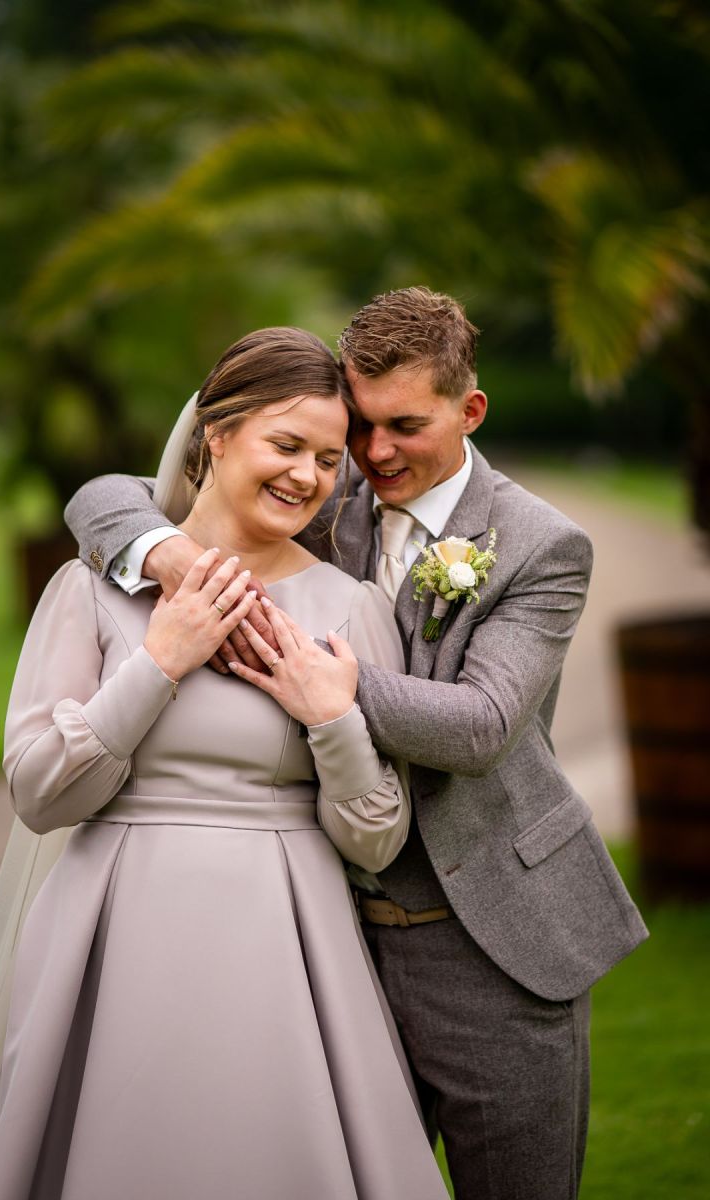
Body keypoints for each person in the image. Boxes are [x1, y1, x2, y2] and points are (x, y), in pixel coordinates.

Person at [63, 287, 648, 1200]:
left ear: (471, 410)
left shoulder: (541, 545)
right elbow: (107, 497)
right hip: (331, 938)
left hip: (491, 938)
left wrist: (326, 678)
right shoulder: (329, 493)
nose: (374, 455)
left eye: (404, 426)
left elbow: (484, 724)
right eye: (360, 427)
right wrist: (164, 554)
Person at [0, 327, 450, 1200]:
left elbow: (378, 839)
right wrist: (159, 661)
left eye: (325, 457)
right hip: (113, 931)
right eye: (285, 445)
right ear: (216, 434)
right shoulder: (92, 588)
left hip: (289, 947)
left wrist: (331, 720)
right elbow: (41, 794)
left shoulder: (350, 608)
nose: (307, 477)